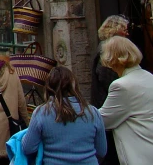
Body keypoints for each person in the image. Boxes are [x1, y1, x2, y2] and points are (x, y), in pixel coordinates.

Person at [21, 66, 106, 164]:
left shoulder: (41, 112)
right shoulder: (93, 112)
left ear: (49, 87)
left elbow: (28, 148)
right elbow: (102, 151)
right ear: (73, 85)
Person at [98, 36, 153, 164]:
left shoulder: (121, 86)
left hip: (139, 154)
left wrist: (77, 110)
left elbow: (102, 120)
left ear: (112, 59)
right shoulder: (148, 76)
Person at [92, 15, 129, 165]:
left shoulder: (107, 50)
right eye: (124, 30)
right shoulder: (106, 52)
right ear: (115, 31)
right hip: (109, 111)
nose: (127, 34)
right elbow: (109, 81)